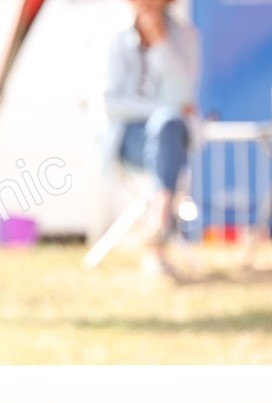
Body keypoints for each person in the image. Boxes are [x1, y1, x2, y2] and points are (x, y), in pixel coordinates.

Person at [103, 0, 200, 277]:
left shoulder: (185, 36)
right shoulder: (114, 36)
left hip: (170, 135)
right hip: (129, 138)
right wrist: (162, 108)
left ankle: (158, 219)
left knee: (167, 126)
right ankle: (161, 222)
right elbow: (110, 104)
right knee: (167, 121)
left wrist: (160, 43)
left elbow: (183, 93)